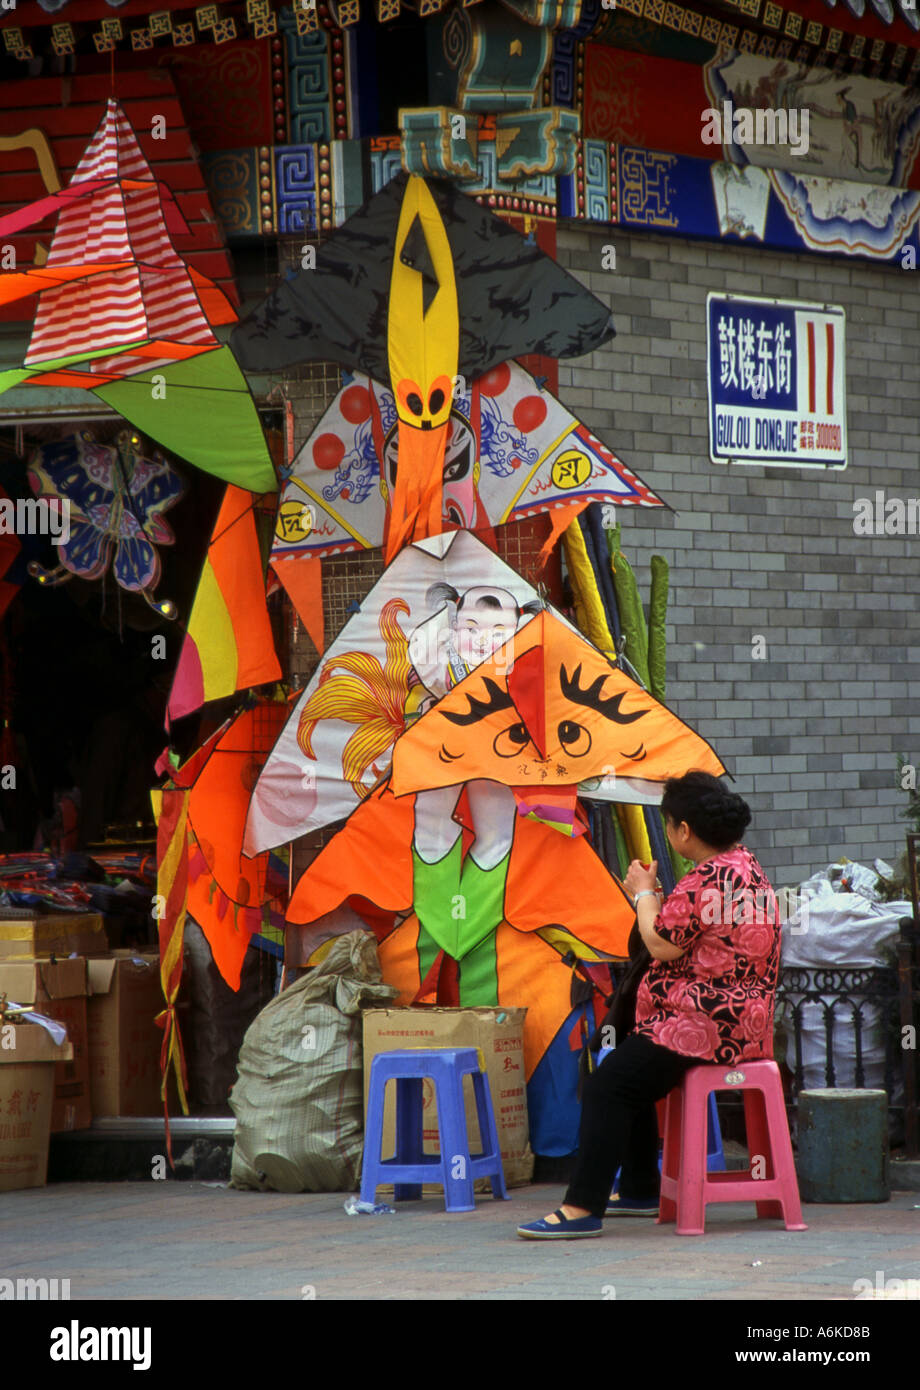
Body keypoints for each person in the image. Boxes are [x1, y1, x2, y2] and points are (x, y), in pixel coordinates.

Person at [517, 770, 780, 1239]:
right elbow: (682, 933)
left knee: (608, 1086)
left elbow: (660, 943)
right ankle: (639, 1187)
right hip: (739, 1022)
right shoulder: (744, 865)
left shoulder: (709, 878)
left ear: (683, 831)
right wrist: (650, 900)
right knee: (625, 1070)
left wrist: (641, 892)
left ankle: (581, 1209)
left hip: (705, 1024)